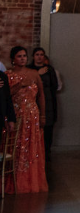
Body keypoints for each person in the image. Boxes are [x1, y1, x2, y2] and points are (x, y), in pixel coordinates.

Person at [6, 46, 47, 194]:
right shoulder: (8, 75)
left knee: (31, 148)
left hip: (32, 115)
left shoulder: (34, 74)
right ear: (13, 59)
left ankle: (31, 180)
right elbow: (5, 96)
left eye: (24, 56)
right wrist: (20, 85)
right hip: (15, 116)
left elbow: (41, 95)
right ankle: (15, 179)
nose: (22, 58)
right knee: (16, 146)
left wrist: (43, 115)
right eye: (19, 56)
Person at [31, 48, 62, 160]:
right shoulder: (30, 69)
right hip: (33, 99)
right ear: (33, 56)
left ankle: (46, 152)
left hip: (48, 100)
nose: (39, 57)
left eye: (41, 55)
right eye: (37, 54)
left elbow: (54, 86)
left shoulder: (50, 69)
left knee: (48, 128)